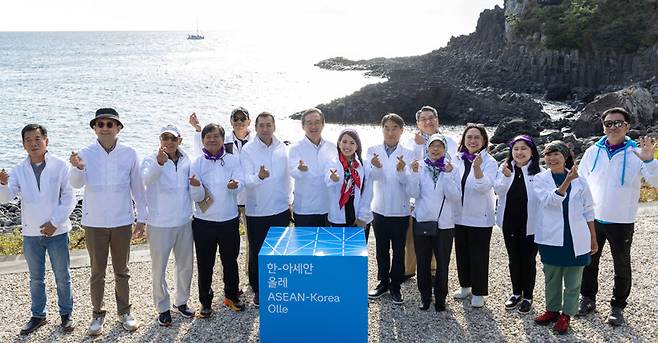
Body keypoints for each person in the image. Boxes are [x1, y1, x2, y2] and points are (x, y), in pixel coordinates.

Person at [577, 107, 658, 326]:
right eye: (609, 123)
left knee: (621, 264)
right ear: (603, 126)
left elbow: (656, 181)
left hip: (621, 219)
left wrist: (649, 160)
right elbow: (581, 181)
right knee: (589, 261)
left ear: (627, 126)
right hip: (593, 217)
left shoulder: (636, 152)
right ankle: (587, 298)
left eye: (618, 123)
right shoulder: (593, 151)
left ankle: (618, 306)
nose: (613, 127)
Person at [69, 108, 146, 336]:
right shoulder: (84, 153)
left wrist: (142, 218)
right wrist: (77, 168)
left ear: (118, 128)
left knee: (122, 270)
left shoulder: (130, 153)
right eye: (100, 124)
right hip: (94, 222)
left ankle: (124, 312)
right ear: (94, 128)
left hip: (122, 220)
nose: (105, 128)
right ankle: (97, 314)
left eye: (109, 124)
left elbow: (138, 189)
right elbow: (75, 184)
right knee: (97, 271)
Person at [0, 124, 76, 335]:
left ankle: (66, 315)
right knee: (36, 278)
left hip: (58, 231)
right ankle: (38, 315)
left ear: (46, 141)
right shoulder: (18, 170)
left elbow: (69, 198)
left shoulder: (61, 165)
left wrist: (55, 223)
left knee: (63, 275)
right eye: (28, 140)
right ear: (23, 144)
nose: (33, 144)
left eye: (37, 139)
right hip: (31, 233)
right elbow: (5, 198)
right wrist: (2, 185)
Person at [533, 140, 598, 335]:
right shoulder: (540, 179)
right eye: (548, 155)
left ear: (565, 157)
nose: (551, 158)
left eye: (556, 154)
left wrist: (593, 237)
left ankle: (566, 315)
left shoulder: (580, 180)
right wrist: (567, 181)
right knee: (551, 277)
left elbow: (588, 211)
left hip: (575, 236)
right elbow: (549, 201)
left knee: (573, 280)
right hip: (551, 237)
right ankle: (552, 310)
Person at [189, 123, 246, 316]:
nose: (212, 140)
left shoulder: (233, 160)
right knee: (205, 263)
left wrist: (235, 185)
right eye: (208, 137)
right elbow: (195, 196)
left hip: (228, 220)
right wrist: (196, 186)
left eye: (216, 136)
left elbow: (240, 181)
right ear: (203, 140)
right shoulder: (196, 162)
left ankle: (231, 295)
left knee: (230, 260)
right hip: (203, 222)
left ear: (223, 139)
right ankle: (205, 301)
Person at [141, 124, 195, 326]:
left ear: (180, 141)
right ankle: (163, 307)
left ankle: (181, 302)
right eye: (165, 138)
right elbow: (146, 180)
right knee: (159, 269)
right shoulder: (150, 159)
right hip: (159, 224)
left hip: (183, 222)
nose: (169, 142)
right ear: (160, 140)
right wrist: (159, 163)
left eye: (173, 138)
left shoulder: (187, 160)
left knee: (185, 266)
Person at [190, 108, 252, 276]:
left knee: (248, 244)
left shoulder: (255, 142)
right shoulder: (225, 142)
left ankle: (248, 279)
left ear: (249, 121)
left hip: (247, 199)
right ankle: (211, 296)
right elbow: (203, 150)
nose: (239, 122)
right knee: (212, 256)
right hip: (225, 205)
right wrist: (198, 129)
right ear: (231, 122)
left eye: (243, 119)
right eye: (235, 119)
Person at [240, 112, 292, 307]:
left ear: (274, 126)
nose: (265, 128)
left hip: (280, 208)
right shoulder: (248, 150)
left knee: (279, 251)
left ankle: (278, 285)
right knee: (257, 252)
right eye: (261, 125)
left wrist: (290, 200)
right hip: (257, 210)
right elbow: (246, 181)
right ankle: (259, 290)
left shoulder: (283, 148)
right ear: (256, 128)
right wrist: (259, 177)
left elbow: (288, 178)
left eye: (268, 125)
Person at [406, 133, 460, 312]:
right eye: (432, 146)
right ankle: (425, 296)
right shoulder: (419, 166)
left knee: (443, 262)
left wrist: (450, 175)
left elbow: (455, 196)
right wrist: (413, 174)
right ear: (427, 148)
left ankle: (440, 298)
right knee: (423, 261)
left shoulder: (452, 167)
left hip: (445, 224)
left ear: (445, 149)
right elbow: (413, 193)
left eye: (439, 146)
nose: (435, 149)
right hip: (422, 220)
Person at [403, 106, 458, 281]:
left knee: (437, 235)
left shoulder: (449, 140)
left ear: (437, 119)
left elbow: (450, 163)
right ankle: (409, 270)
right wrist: (419, 147)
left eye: (431, 118)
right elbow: (412, 166)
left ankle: (434, 272)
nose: (428, 122)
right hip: (417, 196)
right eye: (423, 119)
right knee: (415, 238)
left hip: (441, 196)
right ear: (418, 123)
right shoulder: (411, 143)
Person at [366, 113, 413, 305]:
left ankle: (396, 286)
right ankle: (383, 282)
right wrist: (376, 167)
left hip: (401, 210)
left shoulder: (409, 153)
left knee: (399, 250)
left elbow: (409, 185)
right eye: (387, 127)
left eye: (395, 128)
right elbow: (372, 178)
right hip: (379, 209)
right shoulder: (372, 150)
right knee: (381, 249)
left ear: (402, 130)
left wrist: (402, 170)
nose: (390, 132)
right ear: (382, 129)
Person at [493, 135, 543, 314]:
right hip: (509, 222)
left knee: (529, 260)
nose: (519, 152)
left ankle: (528, 296)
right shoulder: (505, 168)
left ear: (532, 152)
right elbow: (497, 190)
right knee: (514, 259)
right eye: (516, 149)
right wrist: (506, 177)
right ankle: (516, 293)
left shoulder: (539, 172)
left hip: (531, 224)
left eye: (524, 148)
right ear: (511, 152)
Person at [452, 123, 497, 308]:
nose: (472, 140)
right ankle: (465, 286)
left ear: (484, 141)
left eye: (477, 137)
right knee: (461, 252)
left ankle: (478, 291)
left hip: (480, 216)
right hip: (458, 215)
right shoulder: (456, 159)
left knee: (478, 254)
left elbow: (484, 187)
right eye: (469, 137)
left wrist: (477, 169)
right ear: (463, 139)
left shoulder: (489, 162)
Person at [289, 108, 336, 227]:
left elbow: (336, 172)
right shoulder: (296, 148)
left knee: (326, 244)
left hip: (327, 207)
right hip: (305, 209)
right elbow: (292, 172)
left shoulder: (332, 147)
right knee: (305, 245)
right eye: (309, 123)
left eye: (317, 122)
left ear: (323, 124)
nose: (313, 126)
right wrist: (300, 169)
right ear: (303, 126)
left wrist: (335, 177)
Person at [325, 129, 373, 228]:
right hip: (338, 216)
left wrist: (362, 217)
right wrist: (333, 179)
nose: (347, 146)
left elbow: (368, 192)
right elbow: (327, 180)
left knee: (357, 243)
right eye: (344, 142)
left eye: (352, 143)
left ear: (357, 146)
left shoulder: (364, 164)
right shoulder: (331, 163)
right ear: (339, 143)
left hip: (359, 215)